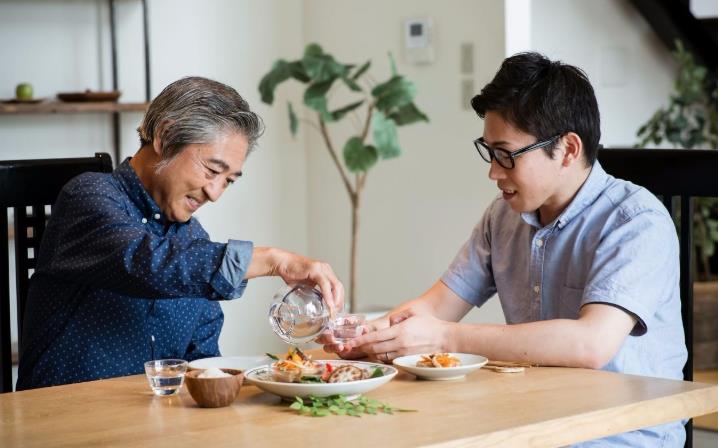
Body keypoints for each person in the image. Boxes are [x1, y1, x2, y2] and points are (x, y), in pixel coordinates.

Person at [324, 52, 686, 446]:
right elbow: (435, 308)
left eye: (506, 155)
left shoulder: (636, 221)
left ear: (567, 149)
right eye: (489, 151)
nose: (493, 172)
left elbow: (590, 344)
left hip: (621, 435)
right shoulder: (504, 217)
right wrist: (367, 335)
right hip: (532, 421)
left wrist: (446, 338)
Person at [18, 76, 344, 390]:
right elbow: (150, 264)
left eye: (228, 181)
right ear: (165, 137)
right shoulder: (88, 197)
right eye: (213, 170)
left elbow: (203, 362)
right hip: (63, 423)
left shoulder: (193, 242)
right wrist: (272, 260)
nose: (215, 193)